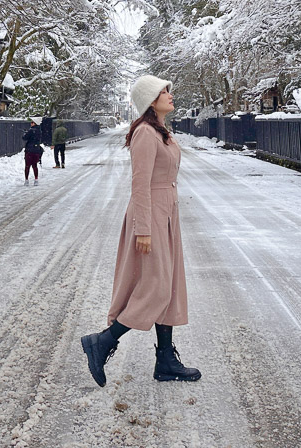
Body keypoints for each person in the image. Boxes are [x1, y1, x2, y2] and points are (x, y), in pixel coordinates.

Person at [79, 75, 200, 387]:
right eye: (163, 92)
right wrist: (143, 229)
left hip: (167, 214)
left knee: (168, 284)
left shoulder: (162, 132)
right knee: (156, 287)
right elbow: (140, 184)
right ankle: (103, 341)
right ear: (150, 101)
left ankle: (165, 361)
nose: (169, 95)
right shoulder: (146, 133)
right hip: (152, 216)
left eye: (168, 90)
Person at [22, 119, 44, 185]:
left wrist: (25, 133)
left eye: (32, 122)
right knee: (35, 165)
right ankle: (36, 179)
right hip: (36, 150)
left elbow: (24, 138)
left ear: (34, 123)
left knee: (27, 166)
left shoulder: (31, 131)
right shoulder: (39, 131)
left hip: (29, 150)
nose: (31, 124)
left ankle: (26, 180)